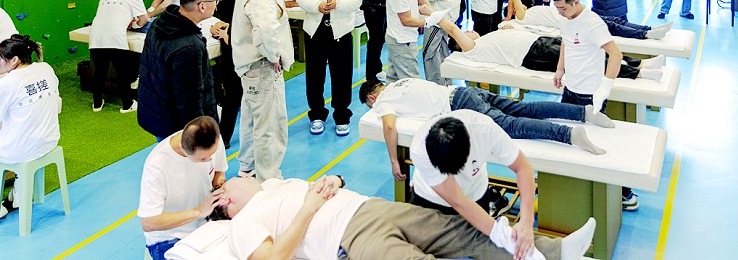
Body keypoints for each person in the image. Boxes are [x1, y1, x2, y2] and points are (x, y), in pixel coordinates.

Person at [213, 174, 596, 260]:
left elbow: (325, 186)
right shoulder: (242, 224)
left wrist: (334, 180)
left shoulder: (276, 185)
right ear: (226, 196)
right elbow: (273, 258)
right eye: (235, 178)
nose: (245, 175)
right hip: (348, 239)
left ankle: (556, 251)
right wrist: (310, 208)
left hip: (369, 207)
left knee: (461, 230)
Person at [361, 78, 614, 165]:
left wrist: (394, 160)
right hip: (464, 91)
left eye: (371, 106)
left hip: (460, 104)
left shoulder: (384, 101)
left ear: (372, 98)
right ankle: (584, 112)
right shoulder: (401, 82)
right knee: (523, 108)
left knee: (510, 126)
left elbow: (389, 126)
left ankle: (568, 134)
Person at [550, 0, 639, 211]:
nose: (560, 12)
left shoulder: (593, 23)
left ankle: (624, 192)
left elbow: (616, 55)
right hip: (570, 90)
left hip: (591, 95)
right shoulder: (563, 18)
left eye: (563, 8)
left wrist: (604, 90)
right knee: (567, 138)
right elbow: (565, 42)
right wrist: (560, 69)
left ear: (576, 2)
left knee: (599, 146)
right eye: (557, 8)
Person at [410, 111, 537, 257]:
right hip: (430, 199)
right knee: (423, 251)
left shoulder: (485, 129)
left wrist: (526, 222)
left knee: (483, 248)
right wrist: (499, 233)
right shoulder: (420, 149)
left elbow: (523, 167)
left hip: (475, 193)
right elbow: (457, 199)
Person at [436, 11, 664, 86]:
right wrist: (432, 14)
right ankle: (639, 74)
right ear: (460, 44)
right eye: (465, 33)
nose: (468, 31)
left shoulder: (487, 38)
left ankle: (640, 62)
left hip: (539, 41)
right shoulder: (472, 49)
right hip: (534, 54)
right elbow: (453, 30)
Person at [232, 0, 294, 180]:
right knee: (269, 125)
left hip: (251, 67)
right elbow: (266, 30)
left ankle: (247, 167)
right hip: (262, 66)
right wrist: (273, 55)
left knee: (252, 118)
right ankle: (269, 179)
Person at [295, 0, 363, 136]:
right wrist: (317, 6)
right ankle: (316, 115)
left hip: (340, 31)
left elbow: (357, 0)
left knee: (342, 76)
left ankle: (342, 116)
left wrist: (337, 4)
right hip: (315, 31)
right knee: (314, 76)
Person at [138, 0, 219, 141]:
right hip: (177, 128)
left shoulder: (159, 25)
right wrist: (200, 136)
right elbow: (189, 100)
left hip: (157, 113)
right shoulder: (189, 47)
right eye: (214, 0)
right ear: (202, 6)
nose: (216, 4)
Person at [137, 116, 227, 260]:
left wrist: (221, 188)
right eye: (202, 159)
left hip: (206, 223)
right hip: (169, 237)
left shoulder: (213, 139)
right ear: (182, 149)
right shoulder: (157, 167)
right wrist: (199, 211)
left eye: (211, 154)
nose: (209, 160)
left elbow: (218, 173)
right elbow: (149, 222)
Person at [0, 35, 60, 220]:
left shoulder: (7, 83)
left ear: (14, 60)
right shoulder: (45, 68)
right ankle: (18, 195)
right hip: (49, 141)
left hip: (20, 149)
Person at [88, 0, 149, 113]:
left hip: (96, 36)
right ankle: (127, 105)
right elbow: (144, 18)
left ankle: (97, 104)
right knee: (123, 73)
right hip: (115, 37)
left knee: (99, 71)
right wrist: (135, 25)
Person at [211, 0, 253, 148]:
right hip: (231, 49)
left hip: (248, 50)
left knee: (247, 95)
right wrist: (221, 0)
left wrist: (229, 32)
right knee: (232, 94)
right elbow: (228, 15)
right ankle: (224, 136)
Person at [505, 0, 673, 41]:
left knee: (614, 21)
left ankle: (649, 29)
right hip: (573, 21)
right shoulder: (522, 17)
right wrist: (508, 15)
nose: (522, 5)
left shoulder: (529, 11)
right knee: (612, 27)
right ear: (514, 10)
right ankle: (645, 34)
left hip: (577, 15)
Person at [385, 0, 443, 82]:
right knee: (412, 81)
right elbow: (406, 21)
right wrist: (428, 21)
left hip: (400, 37)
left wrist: (432, 12)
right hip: (402, 41)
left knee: (394, 79)